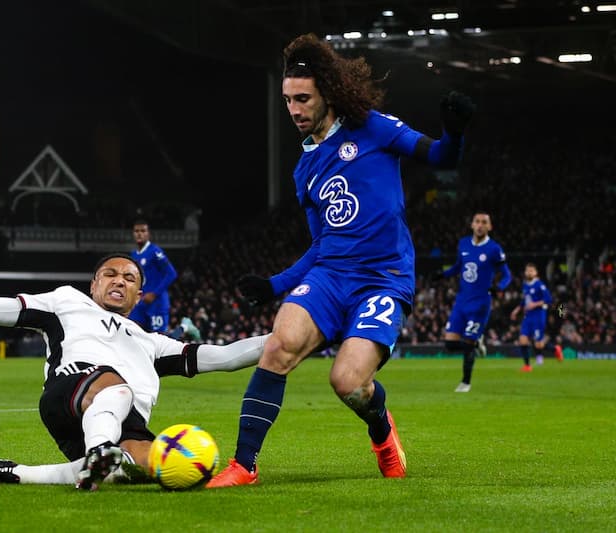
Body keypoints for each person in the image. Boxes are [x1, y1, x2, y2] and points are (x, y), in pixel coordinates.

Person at [206, 33, 474, 488]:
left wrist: (456, 131)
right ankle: (243, 465)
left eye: (303, 98)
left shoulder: (373, 128)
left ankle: (381, 430)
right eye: (288, 99)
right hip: (332, 277)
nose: (293, 109)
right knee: (278, 346)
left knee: (348, 382)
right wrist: (275, 285)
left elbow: (440, 156)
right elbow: (322, 246)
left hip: (384, 279)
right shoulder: (304, 170)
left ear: (327, 92)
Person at [0, 253, 267, 490]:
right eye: (111, 274)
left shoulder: (150, 341)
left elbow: (226, 356)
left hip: (123, 425)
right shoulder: (66, 302)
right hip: (72, 391)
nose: (120, 281)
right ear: (94, 284)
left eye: (130, 279)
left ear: (137, 295)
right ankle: (100, 452)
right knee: (117, 388)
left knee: (156, 469)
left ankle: (17, 473)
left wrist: (292, 335)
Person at [436, 212, 511, 393]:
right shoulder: (463, 243)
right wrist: (442, 274)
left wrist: (499, 287)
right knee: (449, 344)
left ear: (489, 227)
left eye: (484, 222)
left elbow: (507, 275)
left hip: (480, 303)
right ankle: (478, 344)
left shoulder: (494, 249)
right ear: (472, 225)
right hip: (461, 301)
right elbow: (457, 267)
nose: (480, 225)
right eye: (477, 222)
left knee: (467, 343)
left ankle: (465, 382)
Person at [128, 219, 178, 333]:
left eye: (143, 231)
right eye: (136, 231)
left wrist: (154, 294)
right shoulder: (134, 254)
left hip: (157, 303)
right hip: (140, 303)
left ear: (148, 234)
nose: (139, 233)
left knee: (160, 342)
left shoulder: (155, 251)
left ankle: (183, 328)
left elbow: (172, 274)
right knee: (132, 333)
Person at [509, 262, 558, 371]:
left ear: (536, 273)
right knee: (523, 339)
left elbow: (549, 300)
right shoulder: (525, 285)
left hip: (538, 316)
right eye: (527, 270)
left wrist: (534, 304)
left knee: (538, 344)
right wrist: (517, 310)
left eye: (531, 271)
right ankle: (527, 365)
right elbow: (524, 300)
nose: (529, 272)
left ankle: (555, 349)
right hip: (528, 317)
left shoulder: (540, 285)